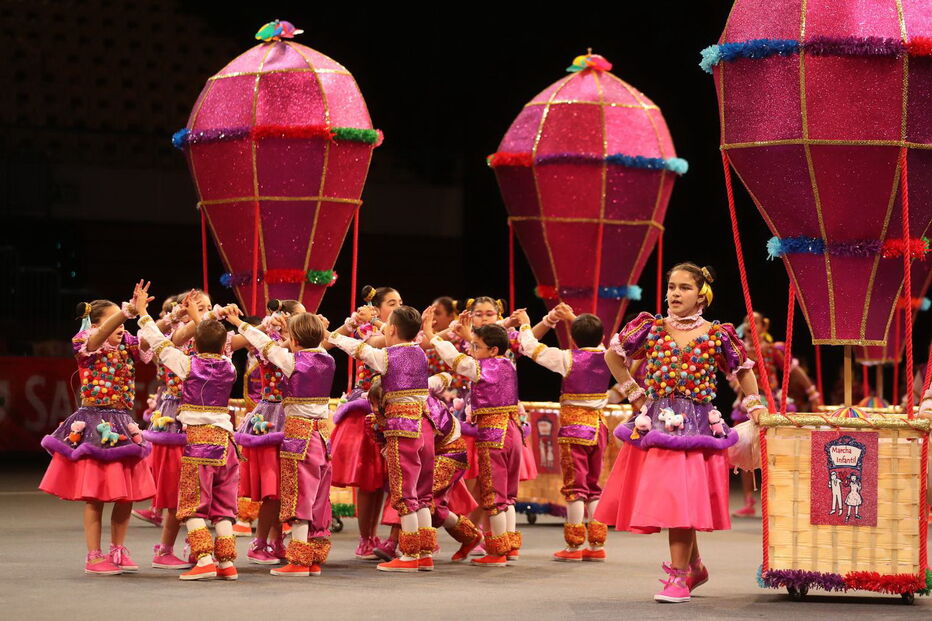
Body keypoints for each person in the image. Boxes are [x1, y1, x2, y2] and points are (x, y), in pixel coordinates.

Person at [596, 263, 766, 603]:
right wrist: (634, 393)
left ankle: (679, 577)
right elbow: (613, 356)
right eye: (672, 286)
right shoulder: (651, 328)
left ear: (701, 295)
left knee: (680, 499)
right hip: (657, 425)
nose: (675, 293)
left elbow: (743, 371)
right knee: (676, 498)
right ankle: (694, 567)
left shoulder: (717, 334)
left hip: (697, 428)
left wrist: (754, 406)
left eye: (684, 287)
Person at [39, 286, 156, 575]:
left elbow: (153, 339)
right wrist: (125, 313)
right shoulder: (85, 341)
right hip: (94, 423)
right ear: (96, 323)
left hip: (123, 422)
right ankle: (93, 556)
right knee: (95, 495)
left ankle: (118, 550)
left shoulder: (126, 343)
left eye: (122, 322)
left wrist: (154, 315)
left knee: (126, 494)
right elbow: (98, 336)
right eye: (114, 321)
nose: (121, 327)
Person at [330, 305, 450, 573]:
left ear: (392, 329)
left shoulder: (387, 356)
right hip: (425, 428)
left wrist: (331, 336)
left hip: (402, 431)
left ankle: (409, 554)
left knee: (405, 493)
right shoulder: (420, 352)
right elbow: (391, 335)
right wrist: (376, 321)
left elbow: (358, 349)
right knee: (422, 494)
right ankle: (424, 553)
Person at [135, 284, 240, 581]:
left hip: (200, 445)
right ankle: (226, 562)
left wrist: (142, 312)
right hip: (227, 445)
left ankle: (204, 559)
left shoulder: (188, 365)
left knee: (192, 505)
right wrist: (202, 319)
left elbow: (158, 342)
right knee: (223, 508)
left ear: (195, 343)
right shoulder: (229, 367)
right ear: (224, 346)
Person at [229, 310, 337, 576]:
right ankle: (313, 555)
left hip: (300, 437)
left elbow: (264, 344)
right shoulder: (329, 359)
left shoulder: (292, 362)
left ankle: (299, 560)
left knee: (299, 496)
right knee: (317, 498)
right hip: (322, 436)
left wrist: (239, 323)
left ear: (295, 341)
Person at [427, 314, 522, 567]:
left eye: (476, 347)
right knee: (508, 495)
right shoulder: (507, 364)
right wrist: (470, 335)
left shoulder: (483, 368)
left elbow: (455, 360)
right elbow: (475, 353)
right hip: (513, 432)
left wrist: (433, 336)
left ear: (492, 350)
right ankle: (510, 547)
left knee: (494, 495)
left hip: (494, 436)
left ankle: (497, 552)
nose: (472, 350)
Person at [516, 309, 612, 562]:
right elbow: (595, 341)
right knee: (593, 486)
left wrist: (526, 324)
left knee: (575, 488)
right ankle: (597, 545)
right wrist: (573, 320)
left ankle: (574, 546)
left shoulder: (567, 358)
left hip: (575, 431)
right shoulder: (607, 355)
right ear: (602, 336)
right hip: (599, 428)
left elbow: (530, 348)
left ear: (573, 338)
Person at [730, 311, 821, 518]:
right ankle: (748, 501)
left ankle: (776, 498)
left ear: (764, 327)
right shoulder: (738, 351)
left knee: (774, 453)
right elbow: (733, 374)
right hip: (747, 406)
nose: (750, 325)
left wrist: (812, 393)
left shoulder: (772, 349)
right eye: (746, 322)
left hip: (770, 405)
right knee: (744, 452)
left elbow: (794, 370)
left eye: (755, 322)